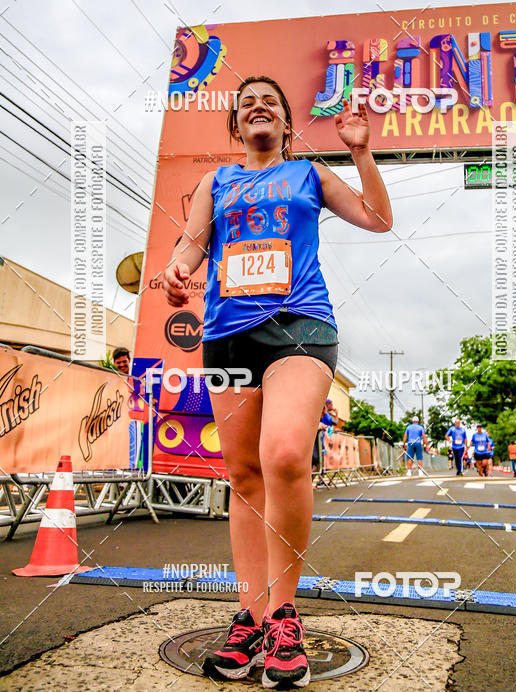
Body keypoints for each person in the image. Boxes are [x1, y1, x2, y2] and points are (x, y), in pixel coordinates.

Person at [163, 76, 392, 687]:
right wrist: (176, 274)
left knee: (285, 453)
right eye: (246, 104)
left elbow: (377, 218)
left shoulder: (310, 175)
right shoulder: (216, 183)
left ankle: (285, 614)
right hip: (227, 335)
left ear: (288, 125)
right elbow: (189, 249)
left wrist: (361, 151)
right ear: (236, 127)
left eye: (270, 101)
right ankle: (251, 615)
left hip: (300, 327)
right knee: (242, 474)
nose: (258, 107)